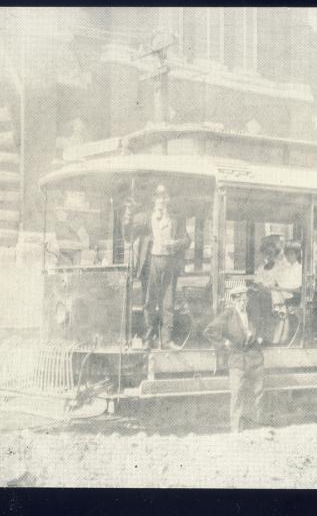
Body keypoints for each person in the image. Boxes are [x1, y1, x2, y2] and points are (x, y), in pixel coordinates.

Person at [122, 184, 191, 349]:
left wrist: (176, 244)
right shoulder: (145, 217)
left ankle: (166, 341)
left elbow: (187, 240)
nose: (162, 200)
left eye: (164, 197)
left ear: (168, 199)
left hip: (169, 263)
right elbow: (128, 235)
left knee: (168, 303)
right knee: (149, 302)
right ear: (153, 199)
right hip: (151, 262)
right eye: (158, 197)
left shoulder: (176, 219)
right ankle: (148, 339)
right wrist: (128, 214)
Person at [204, 284, 264, 433]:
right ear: (234, 301)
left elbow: (264, 325)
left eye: (246, 300)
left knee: (259, 392)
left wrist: (260, 337)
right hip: (237, 360)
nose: (244, 304)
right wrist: (224, 343)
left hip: (254, 358)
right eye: (241, 301)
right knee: (237, 393)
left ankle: (257, 425)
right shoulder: (228, 314)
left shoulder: (252, 313)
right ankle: (235, 427)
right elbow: (209, 331)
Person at [270, 241, 303, 345]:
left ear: (297, 254)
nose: (288, 257)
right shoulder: (289, 268)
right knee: (274, 295)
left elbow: (298, 289)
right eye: (287, 254)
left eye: (291, 254)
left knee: (277, 300)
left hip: (296, 297)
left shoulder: (299, 269)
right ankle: (280, 337)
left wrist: (280, 288)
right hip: (288, 295)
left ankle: (279, 337)